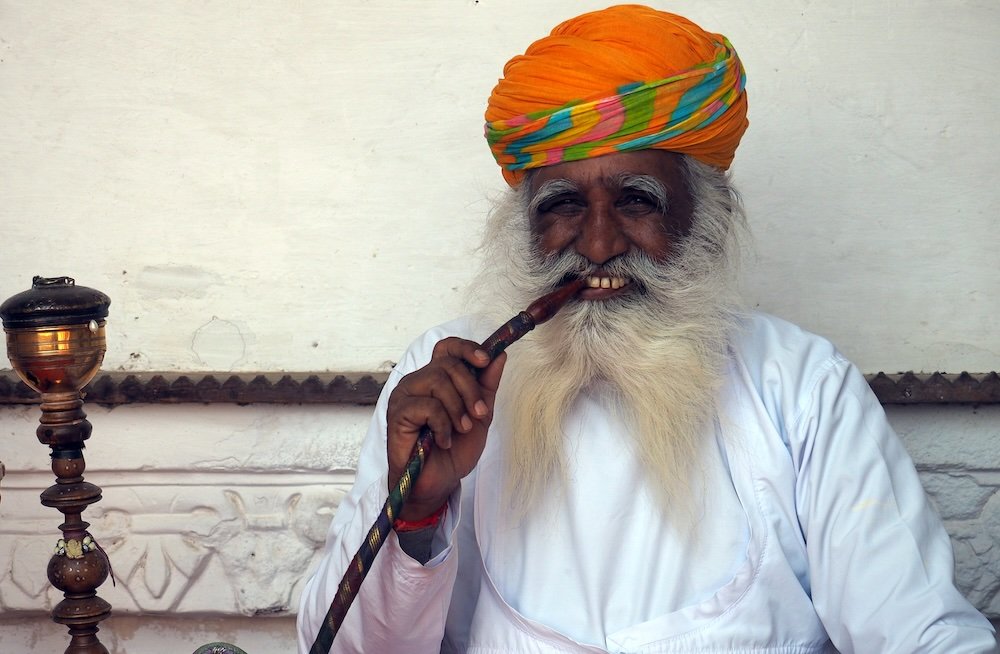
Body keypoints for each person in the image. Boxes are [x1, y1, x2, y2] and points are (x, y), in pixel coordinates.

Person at [297, 5, 998, 653]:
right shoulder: (448, 373)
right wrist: (415, 511)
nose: (598, 244)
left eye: (638, 201)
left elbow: (921, 630)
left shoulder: (801, 383)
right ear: (524, 228)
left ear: (704, 218)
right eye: (562, 205)